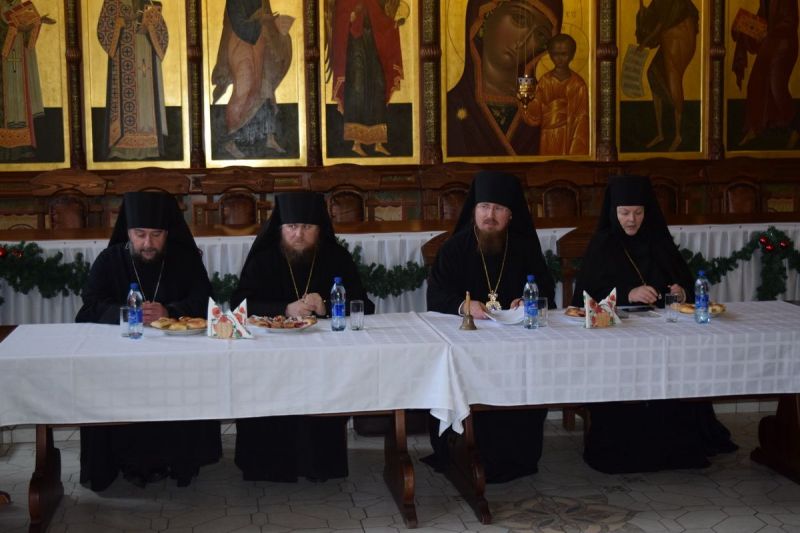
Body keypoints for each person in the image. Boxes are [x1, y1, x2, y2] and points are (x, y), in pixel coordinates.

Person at [571, 175, 737, 474]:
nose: (631, 220)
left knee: (680, 365)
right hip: (617, 339)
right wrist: (627, 293)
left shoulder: (659, 240)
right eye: (624, 213)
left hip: (665, 332)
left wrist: (681, 292)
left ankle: (676, 447)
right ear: (613, 212)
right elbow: (583, 298)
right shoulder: (603, 244)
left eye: (638, 212)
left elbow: (685, 286)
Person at [76, 191, 222, 490]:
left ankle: (180, 461)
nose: (148, 243)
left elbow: (205, 301)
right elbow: (89, 305)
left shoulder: (185, 259)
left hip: (177, 358)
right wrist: (127, 313)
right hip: (121, 359)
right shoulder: (110, 259)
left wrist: (170, 311)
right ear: (128, 232)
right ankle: (119, 460)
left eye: (157, 235)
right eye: (140, 234)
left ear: (167, 233)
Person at [230, 191, 374, 482]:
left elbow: (364, 305)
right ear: (281, 228)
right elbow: (239, 305)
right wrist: (284, 308)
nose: (298, 234)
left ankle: (319, 467)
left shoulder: (336, 257)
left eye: (307, 227)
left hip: (322, 357)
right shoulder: (264, 259)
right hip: (270, 355)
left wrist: (327, 306)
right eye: (292, 227)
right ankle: (267, 468)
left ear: (319, 229)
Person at [426, 170, 556, 483]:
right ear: (474, 211)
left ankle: (518, 456)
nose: (490, 215)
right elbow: (436, 295)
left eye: (498, 209)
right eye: (484, 207)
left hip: (516, 348)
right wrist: (465, 306)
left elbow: (546, 291)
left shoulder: (525, 248)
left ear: (511, 215)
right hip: (467, 345)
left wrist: (528, 302)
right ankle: (463, 452)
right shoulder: (455, 248)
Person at [446, 0, 563, 157]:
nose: (523, 41)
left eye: (540, 34)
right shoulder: (448, 109)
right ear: (486, 16)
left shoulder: (547, 112)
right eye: (519, 18)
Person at [211, 0, 293, 159]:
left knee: (262, 86)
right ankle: (231, 140)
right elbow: (239, 25)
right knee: (244, 89)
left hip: (260, 41)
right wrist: (262, 21)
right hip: (240, 43)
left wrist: (275, 25)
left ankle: (269, 137)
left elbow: (267, 19)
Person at [327, 0, 403, 157]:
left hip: (371, 44)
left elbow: (379, 18)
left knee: (379, 85)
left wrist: (393, 24)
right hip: (355, 46)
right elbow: (340, 17)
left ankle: (378, 142)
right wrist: (351, 15)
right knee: (358, 88)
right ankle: (356, 143)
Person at [97, 0, 169, 160]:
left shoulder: (148, 1)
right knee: (125, 102)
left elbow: (162, 32)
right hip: (124, 60)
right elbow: (103, 29)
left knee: (146, 101)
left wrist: (150, 25)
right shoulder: (113, 2)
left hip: (146, 56)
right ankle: (122, 147)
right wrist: (120, 22)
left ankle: (150, 146)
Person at [731, 0, 799, 147]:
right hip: (770, 44)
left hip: (784, 44)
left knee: (777, 88)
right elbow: (761, 19)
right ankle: (754, 129)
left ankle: (796, 128)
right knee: (754, 84)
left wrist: (767, 30)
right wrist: (747, 26)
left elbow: (790, 22)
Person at [635, 0, 699, 151]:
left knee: (673, 79)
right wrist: (642, 11)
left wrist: (645, 42)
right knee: (653, 73)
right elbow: (654, 16)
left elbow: (661, 24)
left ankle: (678, 135)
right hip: (669, 36)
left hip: (679, 37)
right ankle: (660, 133)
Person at [0, 0, 54, 161]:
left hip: (18, 59)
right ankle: (5, 150)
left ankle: (21, 146)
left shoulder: (18, 4)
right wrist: (15, 28)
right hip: (3, 65)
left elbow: (26, 37)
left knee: (20, 104)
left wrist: (36, 22)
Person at [525, 33, 589, 155]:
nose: (559, 59)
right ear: (550, 55)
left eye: (564, 54)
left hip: (569, 135)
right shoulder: (545, 81)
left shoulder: (578, 84)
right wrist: (526, 97)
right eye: (555, 54)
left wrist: (576, 150)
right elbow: (535, 112)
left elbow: (582, 118)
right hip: (547, 134)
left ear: (572, 55)